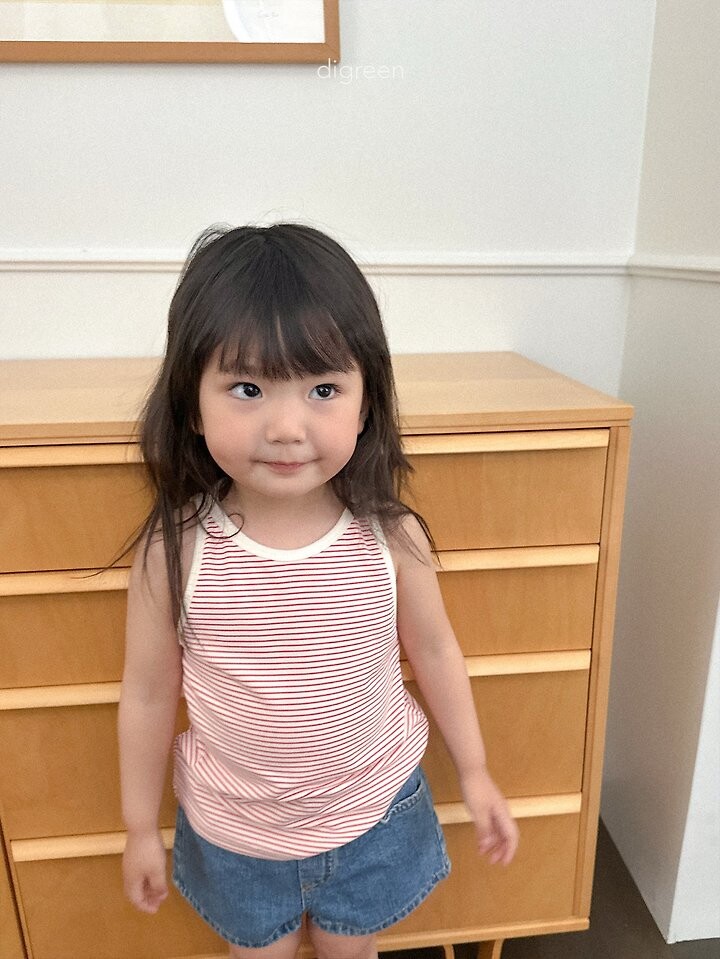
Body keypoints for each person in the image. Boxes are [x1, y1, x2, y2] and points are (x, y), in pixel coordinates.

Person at [118, 223, 519, 959]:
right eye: (247, 389)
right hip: (236, 834)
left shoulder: (391, 536)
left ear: (364, 404)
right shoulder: (174, 551)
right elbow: (146, 693)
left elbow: (436, 651)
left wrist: (476, 771)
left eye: (323, 389)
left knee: (350, 951)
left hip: (374, 813)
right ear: (192, 403)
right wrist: (140, 826)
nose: (286, 426)